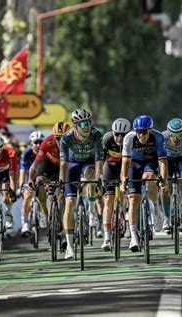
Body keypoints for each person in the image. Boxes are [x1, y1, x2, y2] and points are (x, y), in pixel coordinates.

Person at [59, 109, 104, 260]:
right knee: (70, 202)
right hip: (72, 164)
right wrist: (61, 179)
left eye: (89, 122)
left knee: (91, 175)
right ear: (75, 126)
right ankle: (70, 247)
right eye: (83, 123)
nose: (87, 126)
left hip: (89, 163)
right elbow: (63, 162)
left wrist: (99, 177)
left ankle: (91, 210)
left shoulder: (96, 135)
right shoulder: (67, 138)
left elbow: (99, 159)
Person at [121, 115, 167, 252]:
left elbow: (163, 161)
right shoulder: (129, 138)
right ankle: (134, 236)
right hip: (133, 165)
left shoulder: (158, 137)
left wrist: (163, 179)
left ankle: (156, 208)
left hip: (150, 162)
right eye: (138, 131)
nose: (141, 135)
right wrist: (124, 179)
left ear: (150, 130)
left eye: (144, 131)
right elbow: (125, 162)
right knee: (133, 199)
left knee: (150, 177)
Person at [28, 122, 70, 245]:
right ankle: (44, 212)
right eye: (58, 138)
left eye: (64, 138)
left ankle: (63, 232)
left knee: (61, 200)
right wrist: (30, 179)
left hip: (64, 168)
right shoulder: (47, 142)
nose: (61, 141)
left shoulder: (73, 144)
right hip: (49, 165)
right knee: (39, 181)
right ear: (53, 137)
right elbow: (35, 164)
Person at [100, 118, 131, 251]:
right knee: (108, 200)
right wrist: (100, 176)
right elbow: (100, 159)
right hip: (110, 167)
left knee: (128, 195)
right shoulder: (107, 139)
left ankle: (126, 217)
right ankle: (107, 237)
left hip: (126, 167)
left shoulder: (131, 139)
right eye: (116, 134)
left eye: (123, 134)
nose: (119, 137)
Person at [161, 118, 182, 233]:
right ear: (168, 133)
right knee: (165, 187)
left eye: (179, 136)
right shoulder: (162, 137)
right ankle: (166, 219)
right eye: (173, 136)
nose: (176, 139)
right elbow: (160, 160)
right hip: (168, 161)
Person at [0, 134, 18, 230]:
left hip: (4, 173)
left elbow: (13, 177)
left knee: (6, 191)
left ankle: (8, 214)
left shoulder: (10, 153)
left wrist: (12, 192)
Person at [19, 130, 45, 236]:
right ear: (31, 143)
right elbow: (22, 171)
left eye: (40, 142)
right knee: (27, 196)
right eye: (36, 142)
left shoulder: (46, 152)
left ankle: (43, 214)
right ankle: (25, 223)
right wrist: (21, 186)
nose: (38, 145)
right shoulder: (26, 153)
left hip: (42, 175)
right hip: (29, 177)